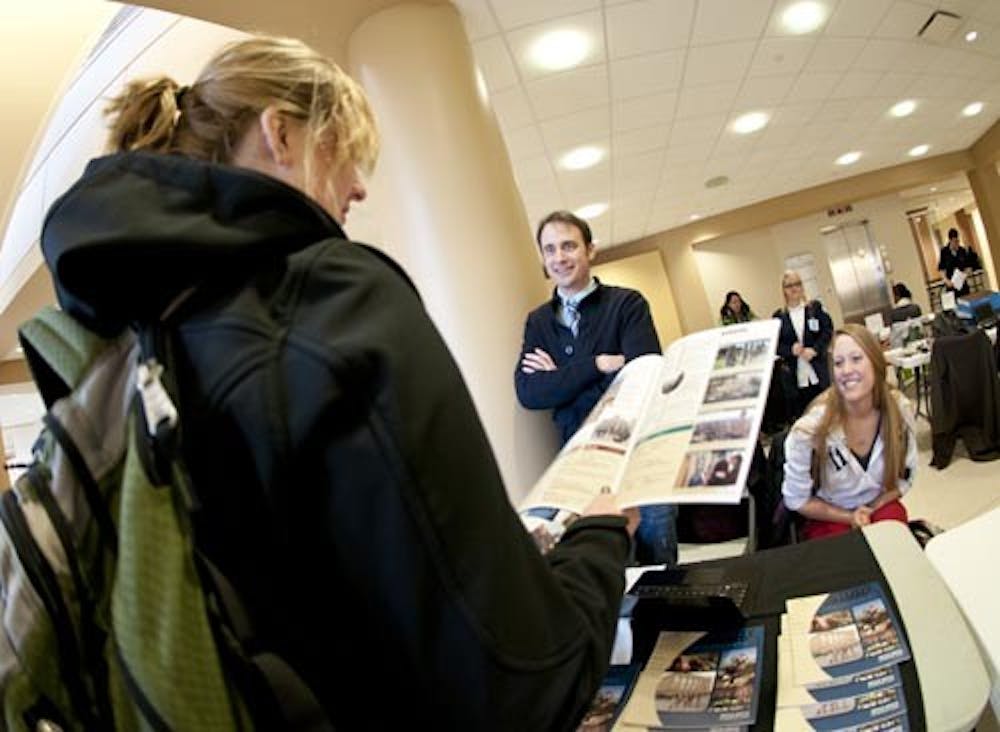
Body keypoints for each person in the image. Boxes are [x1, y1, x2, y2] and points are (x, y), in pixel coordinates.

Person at [41, 36, 638, 731]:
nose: (357, 185)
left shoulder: (150, 339)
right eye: (347, 150)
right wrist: (597, 541)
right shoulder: (329, 300)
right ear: (281, 133)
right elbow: (524, 686)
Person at [515, 210, 678, 566]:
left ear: (591, 250)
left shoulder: (627, 304)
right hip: (578, 460)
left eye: (569, 246)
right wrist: (598, 365)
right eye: (550, 249)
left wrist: (561, 378)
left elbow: (643, 378)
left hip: (636, 452)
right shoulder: (538, 321)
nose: (560, 258)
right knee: (597, 563)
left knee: (656, 552)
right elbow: (529, 392)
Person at [782, 324, 917, 541]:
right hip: (829, 514)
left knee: (895, 547)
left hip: (879, 505)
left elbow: (905, 479)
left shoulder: (899, 410)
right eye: (838, 363)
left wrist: (871, 509)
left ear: (875, 362)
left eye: (856, 358)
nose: (846, 370)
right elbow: (796, 500)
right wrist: (849, 517)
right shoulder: (809, 430)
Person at [773, 270, 834, 421]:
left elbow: (827, 330)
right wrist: (790, 350)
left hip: (817, 372)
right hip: (796, 378)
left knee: (828, 415)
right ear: (784, 290)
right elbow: (776, 345)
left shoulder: (814, 308)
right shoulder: (779, 317)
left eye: (797, 284)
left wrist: (815, 349)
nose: (794, 289)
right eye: (789, 286)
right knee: (807, 419)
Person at [938, 227, 980, 297]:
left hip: (962, 285)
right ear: (950, 240)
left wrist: (965, 274)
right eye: (954, 241)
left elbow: (968, 267)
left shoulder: (962, 250)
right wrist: (946, 280)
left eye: (957, 241)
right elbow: (941, 269)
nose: (956, 243)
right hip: (950, 286)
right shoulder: (944, 252)